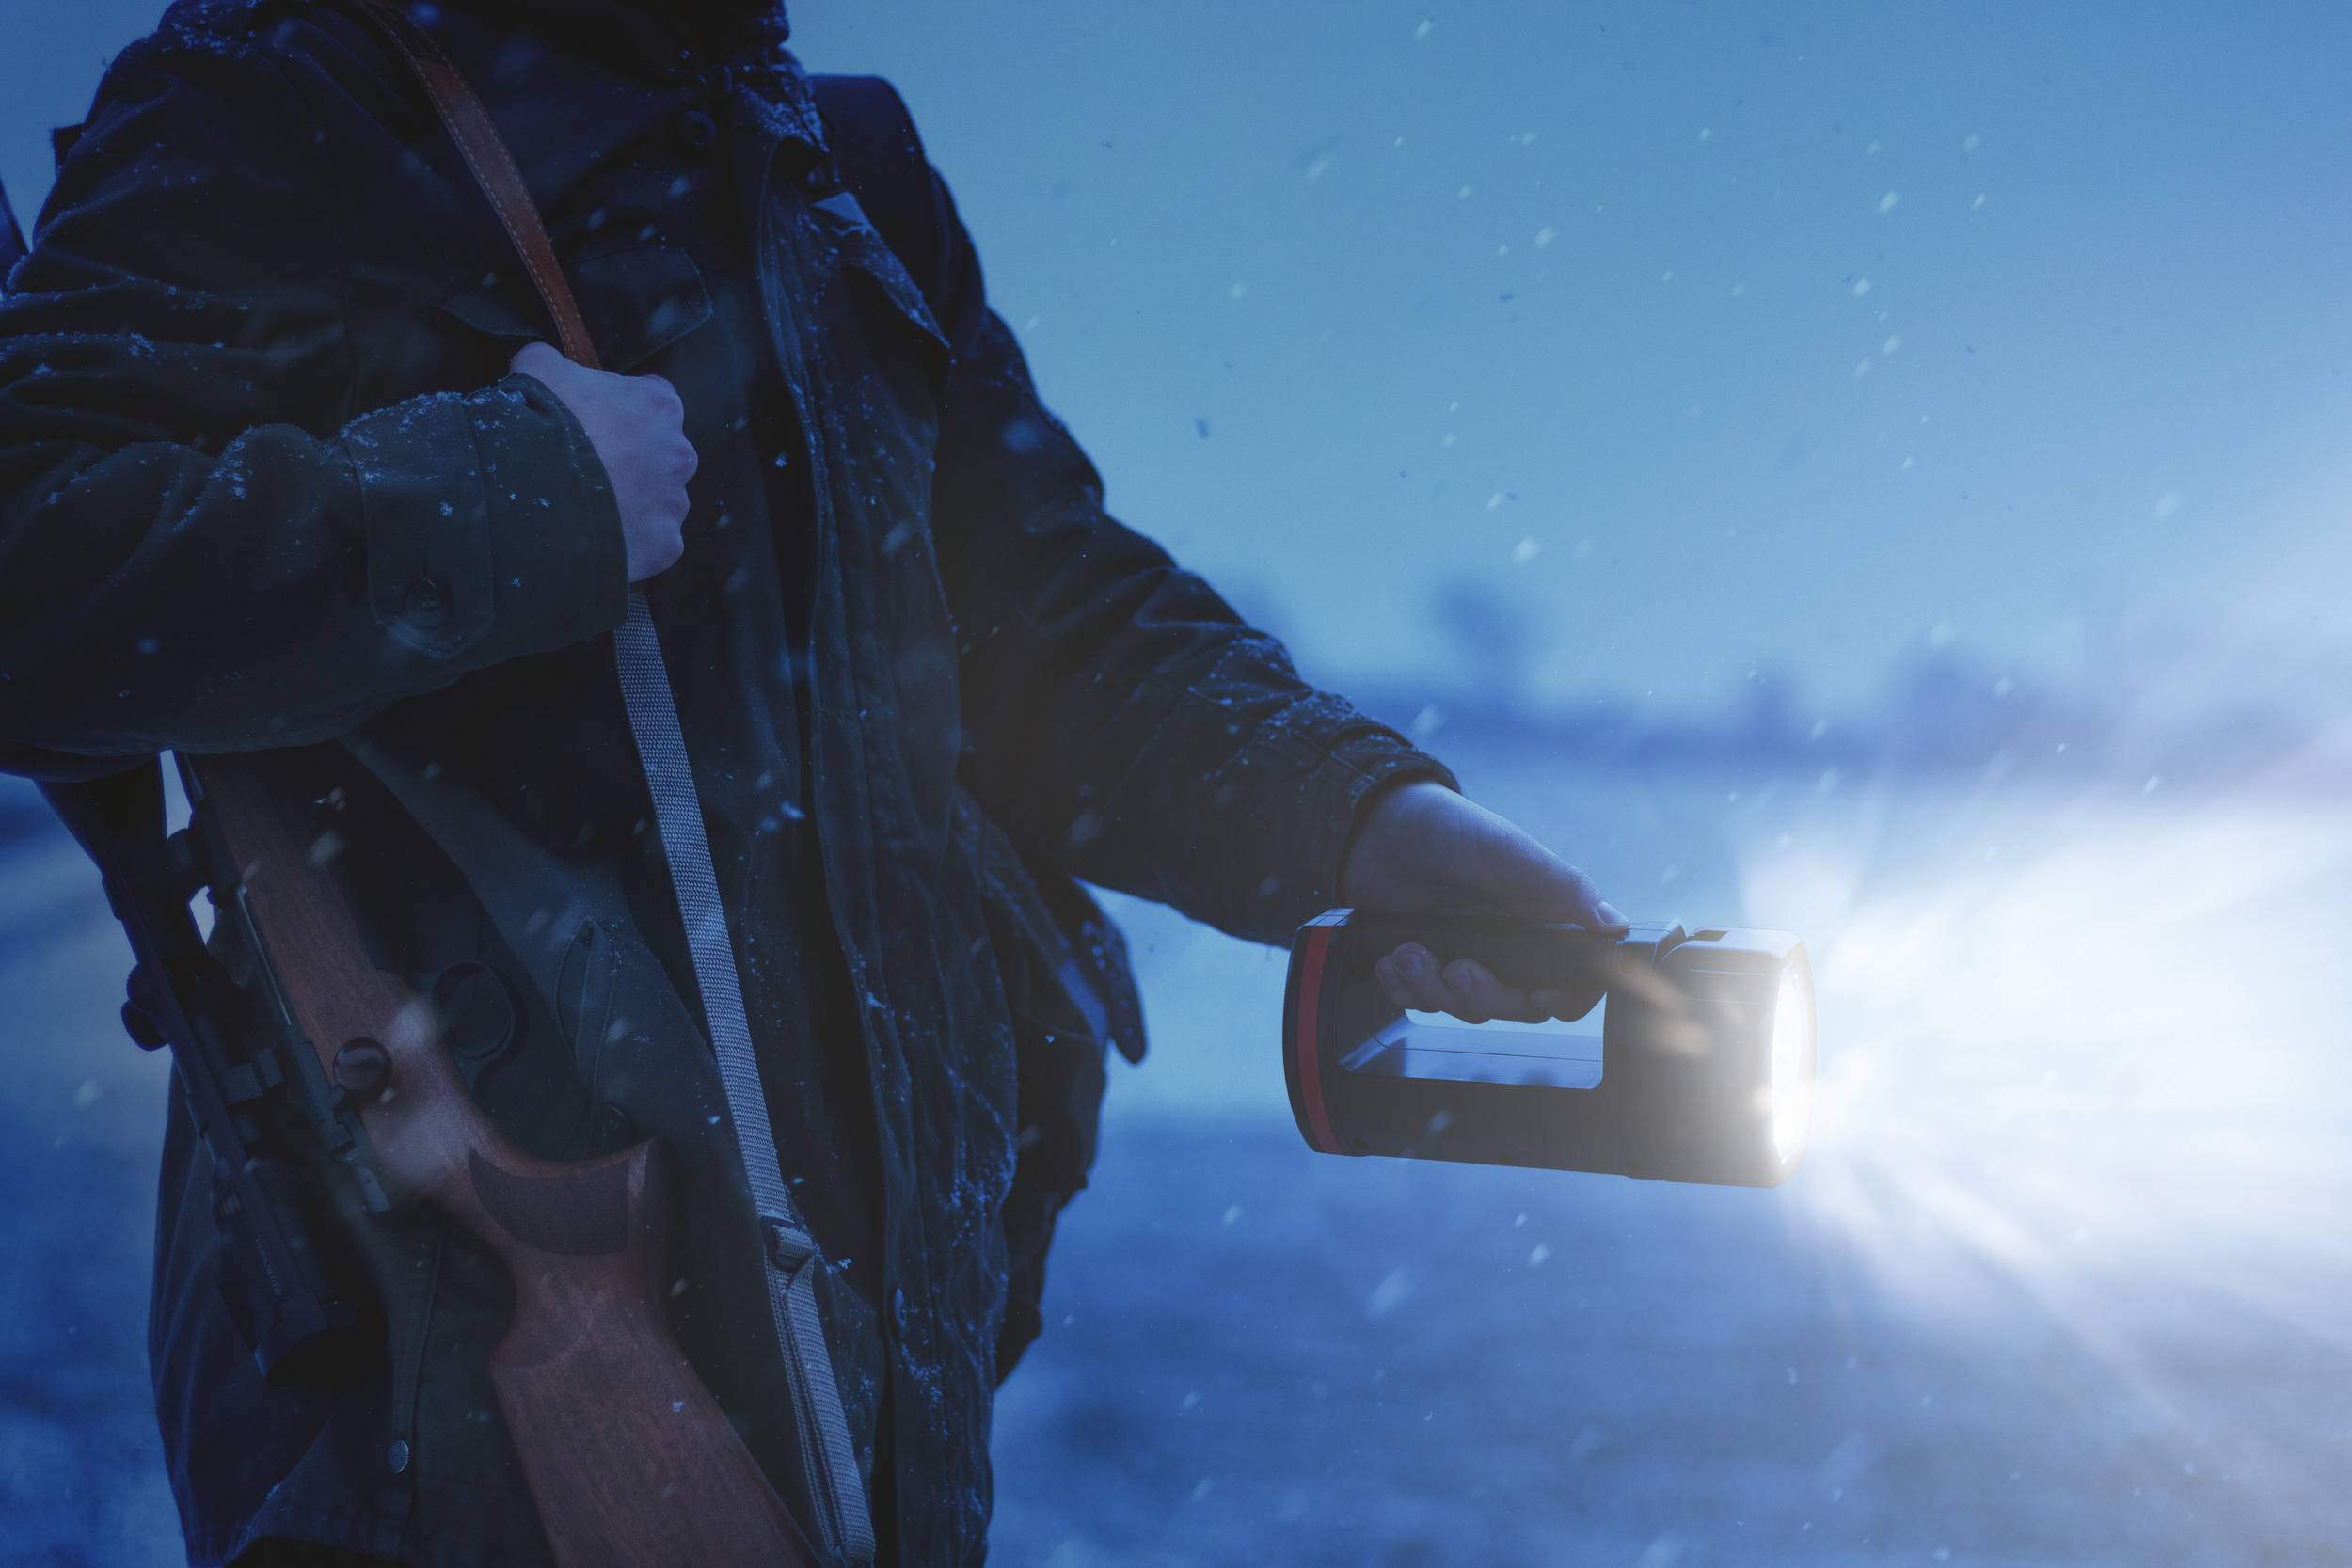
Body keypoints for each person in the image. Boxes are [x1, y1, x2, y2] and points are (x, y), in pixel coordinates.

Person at [0, 1, 1620, 1562]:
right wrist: (524, 501)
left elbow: (1036, 630)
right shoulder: (273, 97)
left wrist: (1365, 817)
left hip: (864, 1400)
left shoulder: (833, 155)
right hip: (438, 1420)